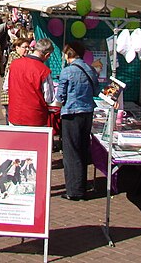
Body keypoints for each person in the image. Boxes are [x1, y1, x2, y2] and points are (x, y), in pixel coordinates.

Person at [55, 41, 100, 201]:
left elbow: (60, 96)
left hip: (71, 113)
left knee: (71, 151)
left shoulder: (67, 72)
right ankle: (81, 186)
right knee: (82, 148)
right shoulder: (90, 69)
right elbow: (96, 90)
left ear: (68, 53)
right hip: (87, 111)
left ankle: (74, 190)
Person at [4, 38, 55, 127]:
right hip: (36, 117)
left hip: (15, 114)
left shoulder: (14, 64)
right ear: (47, 55)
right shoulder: (44, 71)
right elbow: (49, 98)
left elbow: (6, 87)